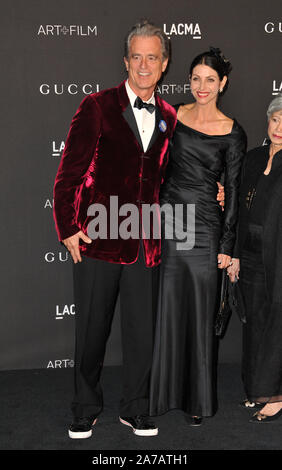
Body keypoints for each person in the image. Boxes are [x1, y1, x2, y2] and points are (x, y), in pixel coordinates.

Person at [53, 20, 177, 438]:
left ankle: (135, 407)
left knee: (143, 335)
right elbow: (67, 174)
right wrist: (68, 227)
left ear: (164, 65)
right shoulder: (97, 106)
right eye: (137, 57)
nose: (144, 65)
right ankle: (85, 405)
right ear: (126, 61)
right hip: (98, 241)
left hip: (146, 244)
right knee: (91, 331)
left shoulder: (169, 117)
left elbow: (167, 177)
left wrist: (209, 189)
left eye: (152, 58)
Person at [149, 47, 247, 425]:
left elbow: (234, 193)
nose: (201, 87)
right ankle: (161, 395)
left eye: (210, 80)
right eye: (195, 79)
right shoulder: (172, 114)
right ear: (187, 81)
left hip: (205, 228)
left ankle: (197, 400)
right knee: (169, 310)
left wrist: (226, 246)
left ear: (222, 83)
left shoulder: (233, 132)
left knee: (199, 316)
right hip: (170, 222)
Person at [227, 95, 282, 423]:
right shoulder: (254, 157)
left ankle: (275, 394)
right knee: (254, 321)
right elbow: (238, 208)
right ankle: (256, 388)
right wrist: (233, 254)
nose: (279, 127)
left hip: (278, 254)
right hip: (248, 250)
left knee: (277, 321)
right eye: (275, 119)